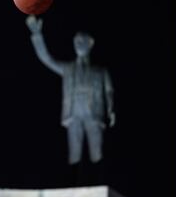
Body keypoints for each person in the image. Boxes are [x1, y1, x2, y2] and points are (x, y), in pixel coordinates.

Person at [26, 15, 115, 164]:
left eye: (81, 41)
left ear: (90, 43)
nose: (77, 44)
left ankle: (98, 181)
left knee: (97, 153)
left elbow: (109, 91)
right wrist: (37, 35)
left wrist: (111, 109)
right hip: (73, 113)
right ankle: (75, 183)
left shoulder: (100, 71)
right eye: (75, 42)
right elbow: (46, 59)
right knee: (74, 155)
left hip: (94, 113)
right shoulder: (68, 69)